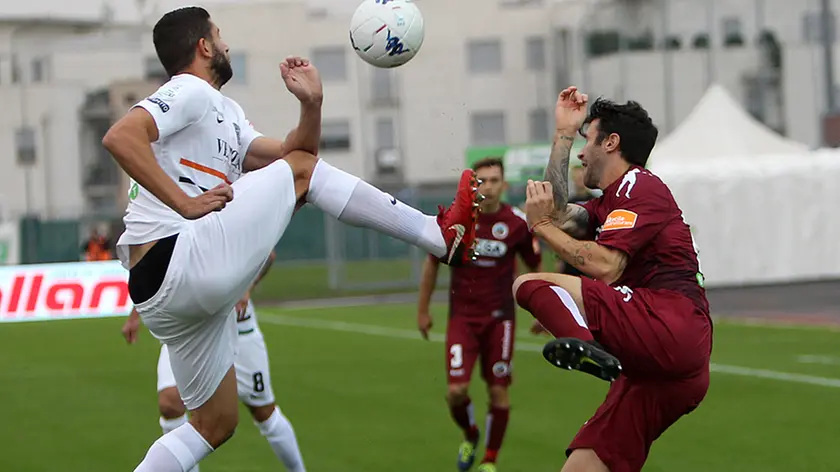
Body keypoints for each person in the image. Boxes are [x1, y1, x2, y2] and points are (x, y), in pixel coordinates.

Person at [102, 7, 481, 471]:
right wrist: (184, 204)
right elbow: (121, 137)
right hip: (179, 255)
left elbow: (297, 154)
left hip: (159, 291)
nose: (225, 43)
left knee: (214, 423)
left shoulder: (227, 114)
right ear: (203, 47)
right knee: (300, 176)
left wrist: (312, 106)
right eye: (219, 36)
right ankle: (439, 236)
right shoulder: (188, 90)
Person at [513, 86, 712, 472]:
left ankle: (593, 352)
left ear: (612, 142)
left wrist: (539, 226)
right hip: (666, 370)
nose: (582, 153)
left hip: (669, 325)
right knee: (584, 467)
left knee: (529, 285)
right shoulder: (611, 199)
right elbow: (556, 213)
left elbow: (607, 266)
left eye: (587, 140)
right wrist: (564, 134)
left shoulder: (639, 185)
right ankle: (597, 352)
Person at [121, 251, 306, 472]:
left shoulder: (226, 217)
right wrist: (135, 315)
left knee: (263, 411)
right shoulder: (176, 222)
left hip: (236, 325)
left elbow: (268, 254)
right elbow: (159, 267)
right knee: (170, 404)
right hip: (188, 326)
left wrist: (247, 287)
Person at [417, 158, 541, 472]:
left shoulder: (516, 223)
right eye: (481, 181)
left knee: (499, 391)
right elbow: (432, 263)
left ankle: (489, 460)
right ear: (473, 186)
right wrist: (423, 310)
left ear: (504, 185)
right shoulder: (458, 221)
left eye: (494, 180)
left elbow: (534, 266)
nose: (488, 187)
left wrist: (542, 310)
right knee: (456, 392)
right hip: (462, 319)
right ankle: (470, 434)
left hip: (501, 319)